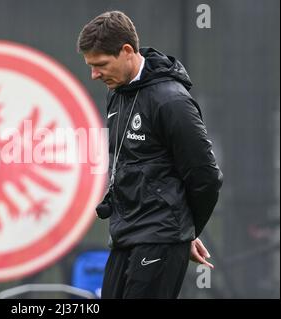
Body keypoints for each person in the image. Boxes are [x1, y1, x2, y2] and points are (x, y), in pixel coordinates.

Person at [77, 11, 223, 298]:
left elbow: (206, 177)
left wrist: (185, 230)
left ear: (127, 51)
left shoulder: (172, 101)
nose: (94, 74)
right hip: (124, 237)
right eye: (91, 66)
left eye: (101, 65)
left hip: (160, 240)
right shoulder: (116, 92)